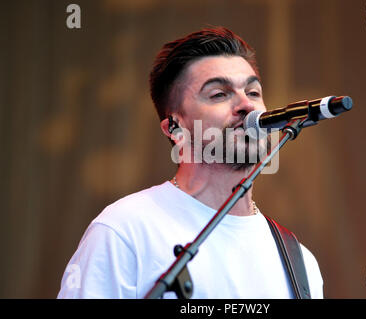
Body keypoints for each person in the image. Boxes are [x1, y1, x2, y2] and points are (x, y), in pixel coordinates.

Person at [57, 27, 323, 299]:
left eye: (253, 92)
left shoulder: (300, 261)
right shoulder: (125, 230)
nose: (246, 105)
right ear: (175, 128)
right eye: (219, 94)